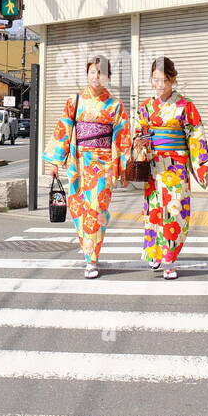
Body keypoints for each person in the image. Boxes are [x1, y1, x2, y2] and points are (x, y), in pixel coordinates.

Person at [44, 55, 130, 278]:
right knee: (79, 210)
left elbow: (122, 137)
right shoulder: (75, 101)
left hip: (102, 166)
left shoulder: (115, 105)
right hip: (79, 164)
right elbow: (64, 128)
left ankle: (92, 260)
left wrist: (122, 168)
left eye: (101, 73)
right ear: (87, 74)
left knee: (96, 209)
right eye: (93, 72)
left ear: (108, 77)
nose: (96, 76)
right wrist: (55, 161)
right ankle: (87, 248)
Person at [136, 56, 208, 280]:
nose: (160, 85)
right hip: (153, 166)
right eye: (156, 80)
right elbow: (138, 133)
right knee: (153, 211)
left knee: (175, 210)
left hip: (176, 167)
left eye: (165, 80)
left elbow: (196, 135)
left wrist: (201, 167)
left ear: (173, 80)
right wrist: (140, 144)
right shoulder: (146, 107)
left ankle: (170, 258)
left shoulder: (185, 105)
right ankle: (155, 252)